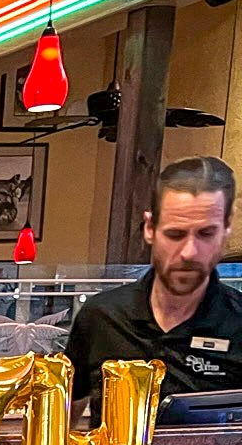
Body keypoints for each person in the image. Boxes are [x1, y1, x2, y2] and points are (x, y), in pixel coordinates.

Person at [65, 156, 242, 422]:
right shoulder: (101, 317)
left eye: (206, 234)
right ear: (150, 228)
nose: (189, 253)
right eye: (175, 234)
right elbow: (64, 419)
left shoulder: (238, 323)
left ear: (226, 229)